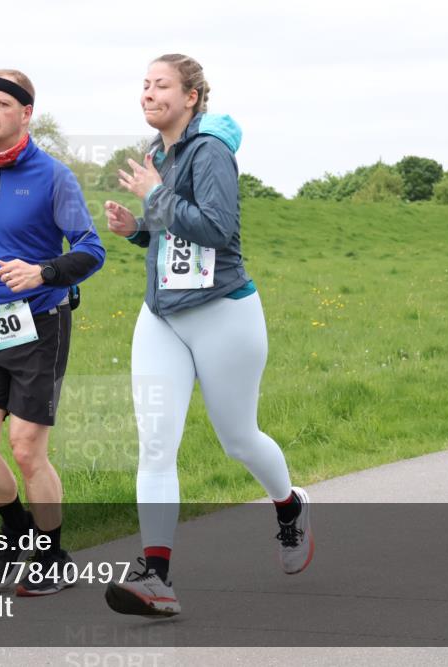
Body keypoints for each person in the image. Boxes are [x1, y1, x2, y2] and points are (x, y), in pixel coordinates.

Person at [101, 54, 313, 617]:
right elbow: (171, 235)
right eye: (144, 85)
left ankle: (289, 506)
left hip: (223, 312)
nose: (148, 94)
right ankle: (156, 577)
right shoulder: (156, 153)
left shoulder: (211, 150)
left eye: (161, 85)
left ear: (191, 97)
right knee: (155, 443)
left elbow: (217, 229)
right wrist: (137, 229)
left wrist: (155, 197)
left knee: (238, 439)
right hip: (162, 316)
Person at [0, 69, 106, 595]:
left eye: (1, 104)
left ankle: (53, 556)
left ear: (26, 113)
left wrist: (43, 272)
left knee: (27, 449)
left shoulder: (54, 176)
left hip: (40, 326)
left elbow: (91, 249)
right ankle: (16, 531)